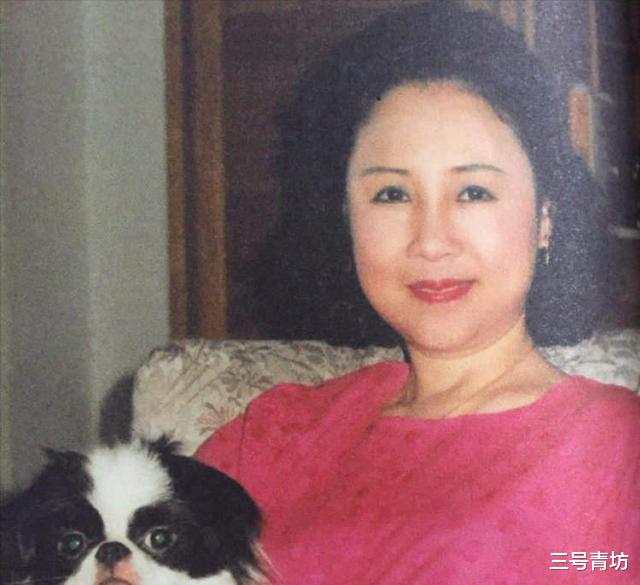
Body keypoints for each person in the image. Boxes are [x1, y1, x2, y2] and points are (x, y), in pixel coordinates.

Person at [197, 2, 640, 583]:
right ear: (344, 219)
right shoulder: (273, 434)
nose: (430, 242)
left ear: (545, 218)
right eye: (391, 195)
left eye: (474, 192)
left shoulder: (615, 447)